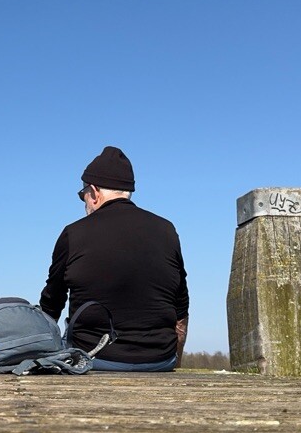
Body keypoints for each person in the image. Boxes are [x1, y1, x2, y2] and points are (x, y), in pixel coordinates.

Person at [39, 146, 189, 372]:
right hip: (160, 360)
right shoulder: (167, 230)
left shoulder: (74, 233)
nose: (84, 202)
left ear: (94, 192)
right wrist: (172, 361)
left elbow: (52, 302)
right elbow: (181, 307)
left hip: (92, 357)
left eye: (82, 195)